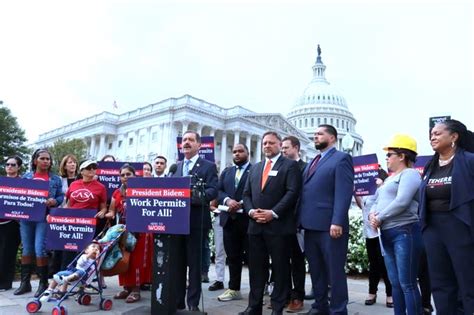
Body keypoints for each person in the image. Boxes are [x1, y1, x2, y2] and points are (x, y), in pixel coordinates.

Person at [240, 131, 301, 315]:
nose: (267, 146)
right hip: (255, 226)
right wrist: (251, 211)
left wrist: (273, 213)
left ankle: (277, 308)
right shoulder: (256, 168)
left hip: (279, 227)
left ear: (279, 144)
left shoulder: (290, 166)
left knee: (280, 269)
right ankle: (254, 306)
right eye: (265, 143)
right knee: (256, 269)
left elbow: (292, 193)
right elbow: (246, 194)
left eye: (271, 143)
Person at [297, 124, 354, 315]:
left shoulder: (341, 159)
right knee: (316, 270)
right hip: (310, 225)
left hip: (330, 226)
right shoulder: (314, 160)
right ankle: (320, 306)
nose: (315, 136)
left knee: (334, 271)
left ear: (332, 138)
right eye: (315, 134)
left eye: (320, 134)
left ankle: (338, 309)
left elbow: (343, 193)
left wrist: (337, 221)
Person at [419, 119, 474, 314]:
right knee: (441, 283)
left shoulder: (469, 161)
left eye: (437, 133)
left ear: (454, 137)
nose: (432, 137)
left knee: (467, 281)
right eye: (431, 134)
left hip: (460, 227)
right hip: (433, 229)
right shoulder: (430, 166)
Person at [369, 134, 423, 315]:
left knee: (407, 283)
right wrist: (372, 215)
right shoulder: (389, 179)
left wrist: (380, 217)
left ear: (402, 156)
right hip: (387, 232)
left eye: (390, 154)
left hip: (404, 230)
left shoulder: (411, 174)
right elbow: (376, 201)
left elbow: (402, 201)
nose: (387, 158)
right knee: (395, 283)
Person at [171, 130, 218, 311]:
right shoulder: (175, 167)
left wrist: (196, 196)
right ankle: (177, 301)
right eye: (184, 140)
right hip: (176, 224)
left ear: (199, 145)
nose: (187, 143)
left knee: (195, 265)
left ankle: (193, 303)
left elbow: (213, 190)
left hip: (197, 222)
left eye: (191, 140)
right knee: (178, 264)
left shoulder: (208, 166)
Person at [15, 149, 64, 297]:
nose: (45, 161)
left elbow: (61, 196)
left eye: (48, 159)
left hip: (43, 218)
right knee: (26, 249)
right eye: (42, 158)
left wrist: (55, 201)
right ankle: (25, 283)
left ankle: (43, 284)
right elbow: (18, 194)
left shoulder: (55, 179)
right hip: (26, 218)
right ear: (35, 160)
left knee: (39, 249)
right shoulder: (26, 177)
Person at [106, 164, 153, 303]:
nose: (125, 177)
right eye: (122, 175)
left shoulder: (143, 190)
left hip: (140, 232)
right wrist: (105, 213)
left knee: (136, 262)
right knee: (124, 260)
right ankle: (126, 288)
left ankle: (136, 291)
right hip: (123, 232)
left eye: (128, 174)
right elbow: (112, 211)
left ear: (135, 175)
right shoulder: (117, 193)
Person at [217, 143, 251, 302]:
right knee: (233, 257)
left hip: (249, 222)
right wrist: (228, 200)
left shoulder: (255, 170)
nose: (237, 154)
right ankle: (234, 289)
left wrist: (241, 203)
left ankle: (258, 290)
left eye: (240, 151)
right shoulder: (227, 172)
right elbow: (218, 191)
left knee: (254, 258)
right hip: (229, 221)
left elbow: (257, 191)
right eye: (234, 151)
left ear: (248, 153)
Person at [354, 167, 393, 308]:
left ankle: (390, 294)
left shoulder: (381, 186)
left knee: (384, 263)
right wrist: (356, 192)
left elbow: (386, 202)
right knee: (373, 263)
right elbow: (362, 206)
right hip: (369, 231)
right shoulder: (365, 189)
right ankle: (372, 292)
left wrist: (381, 186)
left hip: (380, 230)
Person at [61, 160, 108, 269]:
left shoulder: (101, 187)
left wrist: (103, 212)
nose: (92, 169)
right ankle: (65, 276)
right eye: (89, 167)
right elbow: (68, 204)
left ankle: (82, 278)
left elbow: (103, 206)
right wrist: (58, 216)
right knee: (69, 249)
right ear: (82, 171)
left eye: (94, 167)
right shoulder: (73, 184)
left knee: (85, 251)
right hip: (72, 222)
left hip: (89, 224)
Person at [281, 136, 307, 313]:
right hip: (280, 221)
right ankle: (283, 295)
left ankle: (298, 297)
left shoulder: (305, 168)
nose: (283, 151)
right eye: (281, 148)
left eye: (286, 148)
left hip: (298, 222)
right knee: (281, 261)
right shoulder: (279, 167)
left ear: (296, 148)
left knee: (297, 261)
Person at [50, 154, 79, 276]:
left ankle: (70, 271)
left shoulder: (80, 180)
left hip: (77, 217)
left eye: (74, 162)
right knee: (59, 245)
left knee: (72, 246)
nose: (72, 164)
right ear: (64, 166)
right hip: (61, 215)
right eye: (69, 162)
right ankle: (56, 271)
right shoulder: (59, 180)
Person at [0, 156, 23, 291]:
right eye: (7, 164)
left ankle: (5, 283)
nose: (9, 167)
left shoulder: (23, 183)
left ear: (18, 167)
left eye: (13, 165)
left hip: (12, 222)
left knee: (8, 253)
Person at [208, 199, 225, 291]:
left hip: (240, 217)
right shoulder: (219, 185)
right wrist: (219, 210)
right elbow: (211, 205)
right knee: (219, 251)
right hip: (221, 217)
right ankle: (219, 279)